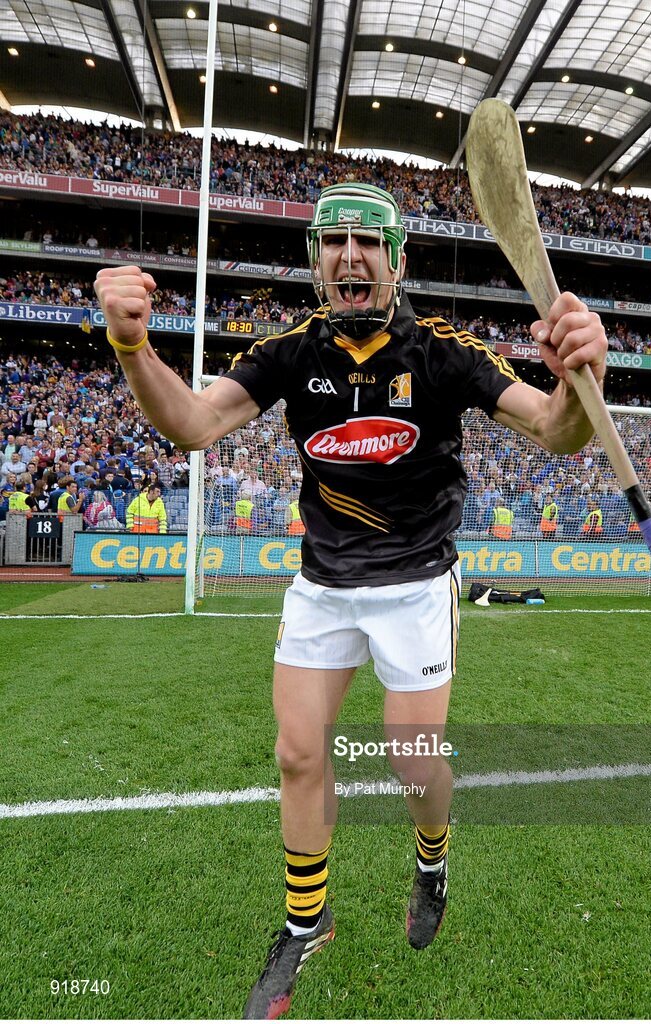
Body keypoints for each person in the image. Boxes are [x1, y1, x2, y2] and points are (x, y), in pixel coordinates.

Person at [94, 180, 608, 1020]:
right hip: (324, 587)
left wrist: (581, 374)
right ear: (315, 262)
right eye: (333, 241)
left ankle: (432, 857)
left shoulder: (442, 350)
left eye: (368, 241)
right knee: (297, 755)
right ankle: (306, 919)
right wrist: (129, 344)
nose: (350, 255)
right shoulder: (294, 351)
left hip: (413, 586)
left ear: (396, 260)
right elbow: (191, 425)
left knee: (412, 761)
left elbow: (554, 427)